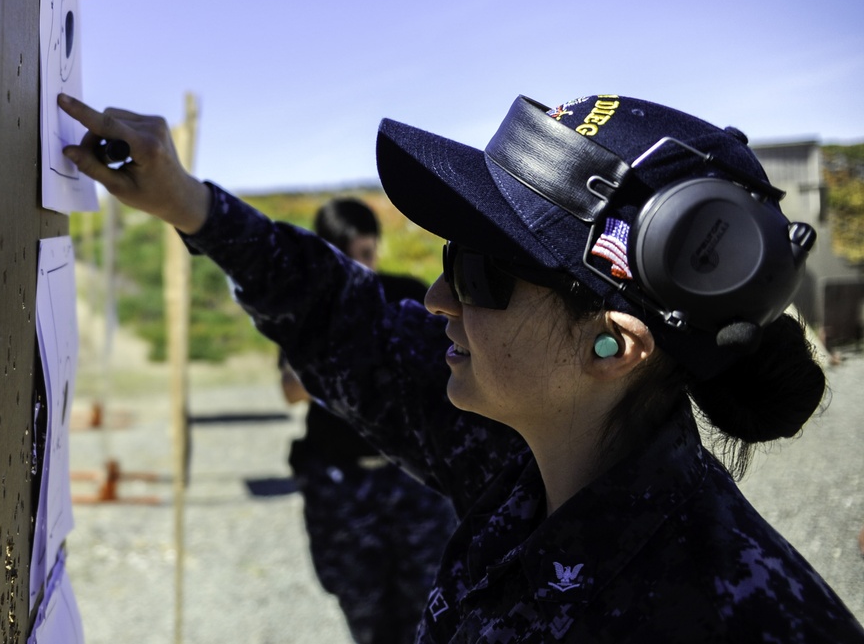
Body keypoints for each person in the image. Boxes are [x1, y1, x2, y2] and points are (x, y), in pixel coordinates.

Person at [59, 92, 864, 642]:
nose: (439, 295)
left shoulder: (753, 619)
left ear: (614, 344)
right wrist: (185, 201)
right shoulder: (519, 458)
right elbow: (349, 320)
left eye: (481, 272)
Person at [278, 197, 457, 644]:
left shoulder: (407, 294)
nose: (360, 266)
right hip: (343, 488)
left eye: (365, 253)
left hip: (413, 483)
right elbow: (290, 389)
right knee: (366, 613)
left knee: (432, 611)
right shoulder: (308, 308)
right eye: (346, 255)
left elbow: (453, 371)